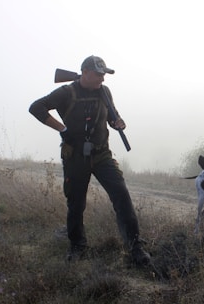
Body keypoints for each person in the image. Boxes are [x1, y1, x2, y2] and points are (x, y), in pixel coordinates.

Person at [29, 55, 151, 266]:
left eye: (104, 75)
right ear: (85, 72)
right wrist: (62, 128)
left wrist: (117, 122)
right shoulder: (66, 92)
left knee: (122, 196)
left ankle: (135, 247)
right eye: (98, 75)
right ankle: (77, 247)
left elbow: (112, 116)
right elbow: (36, 108)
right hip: (75, 156)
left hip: (102, 154)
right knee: (76, 204)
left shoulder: (104, 91)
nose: (102, 79)